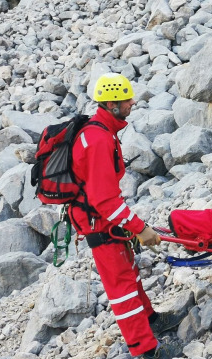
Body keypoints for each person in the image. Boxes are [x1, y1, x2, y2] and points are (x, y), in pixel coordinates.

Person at [69, 73, 180, 359]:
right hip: (98, 222)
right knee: (122, 288)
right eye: (126, 100)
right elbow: (103, 199)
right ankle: (145, 350)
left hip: (103, 219)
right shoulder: (97, 139)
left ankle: (152, 322)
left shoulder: (101, 131)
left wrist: (131, 225)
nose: (132, 103)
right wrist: (139, 227)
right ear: (112, 105)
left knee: (128, 273)